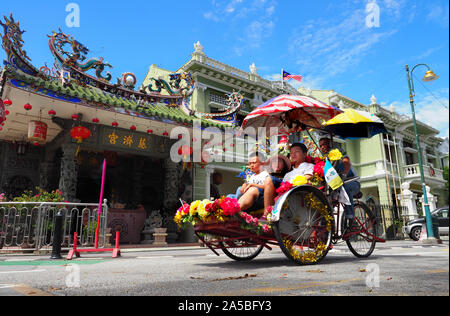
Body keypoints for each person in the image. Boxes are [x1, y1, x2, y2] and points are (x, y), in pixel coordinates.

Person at [262, 143, 314, 217]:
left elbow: (307, 177)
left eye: (296, 152)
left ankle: (267, 214)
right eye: (291, 153)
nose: (293, 155)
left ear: (305, 154)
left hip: (298, 194)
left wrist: (291, 185)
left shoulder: (309, 166)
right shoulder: (288, 174)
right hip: (285, 196)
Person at [319, 137, 360, 223]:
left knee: (344, 187)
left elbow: (346, 162)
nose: (322, 147)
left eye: (324, 144)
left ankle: (351, 217)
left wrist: (344, 174)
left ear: (330, 144)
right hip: (335, 186)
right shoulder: (323, 159)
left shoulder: (338, 151)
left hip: (352, 182)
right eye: (320, 146)